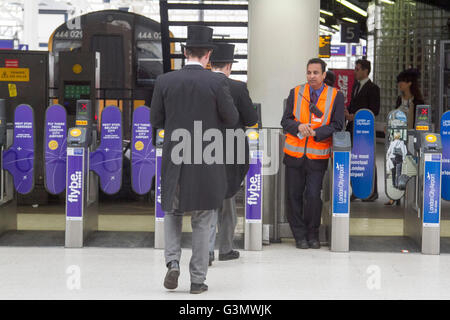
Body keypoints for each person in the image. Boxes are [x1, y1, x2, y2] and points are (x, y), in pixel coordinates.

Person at [150, 25, 239, 294]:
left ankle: (172, 262)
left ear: (184, 51)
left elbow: (155, 120)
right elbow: (232, 119)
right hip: (207, 160)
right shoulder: (217, 82)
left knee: (173, 213)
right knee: (203, 219)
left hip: (175, 159)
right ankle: (198, 280)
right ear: (208, 54)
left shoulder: (165, 81)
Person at [281, 58, 345, 249]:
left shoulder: (335, 96)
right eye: (309, 72)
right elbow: (285, 121)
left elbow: (338, 124)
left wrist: (317, 132)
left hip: (317, 156)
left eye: (316, 73)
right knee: (293, 196)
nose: (311, 76)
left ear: (324, 75)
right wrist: (298, 126)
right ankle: (299, 235)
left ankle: (312, 234)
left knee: (312, 197)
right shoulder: (296, 92)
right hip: (294, 154)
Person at [207, 43, 258, 266]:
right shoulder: (238, 88)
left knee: (206, 201)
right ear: (228, 65)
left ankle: (206, 250)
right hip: (230, 152)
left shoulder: (201, 84)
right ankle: (225, 248)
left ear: (210, 63)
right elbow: (250, 119)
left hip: (202, 149)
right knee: (227, 202)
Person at [345, 59, 380, 202]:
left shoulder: (373, 88)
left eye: (358, 69)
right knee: (355, 159)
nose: (355, 71)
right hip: (353, 128)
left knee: (368, 158)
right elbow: (353, 105)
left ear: (366, 71)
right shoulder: (355, 86)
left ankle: (372, 191)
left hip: (365, 130)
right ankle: (356, 190)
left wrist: (356, 116)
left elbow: (374, 110)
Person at [385, 132, 407, 206]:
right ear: (399, 136)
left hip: (392, 159)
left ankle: (393, 184)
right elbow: (404, 152)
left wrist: (387, 157)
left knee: (393, 172)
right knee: (398, 173)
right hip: (399, 159)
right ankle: (398, 184)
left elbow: (389, 151)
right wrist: (404, 159)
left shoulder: (392, 143)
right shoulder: (402, 143)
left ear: (394, 137)